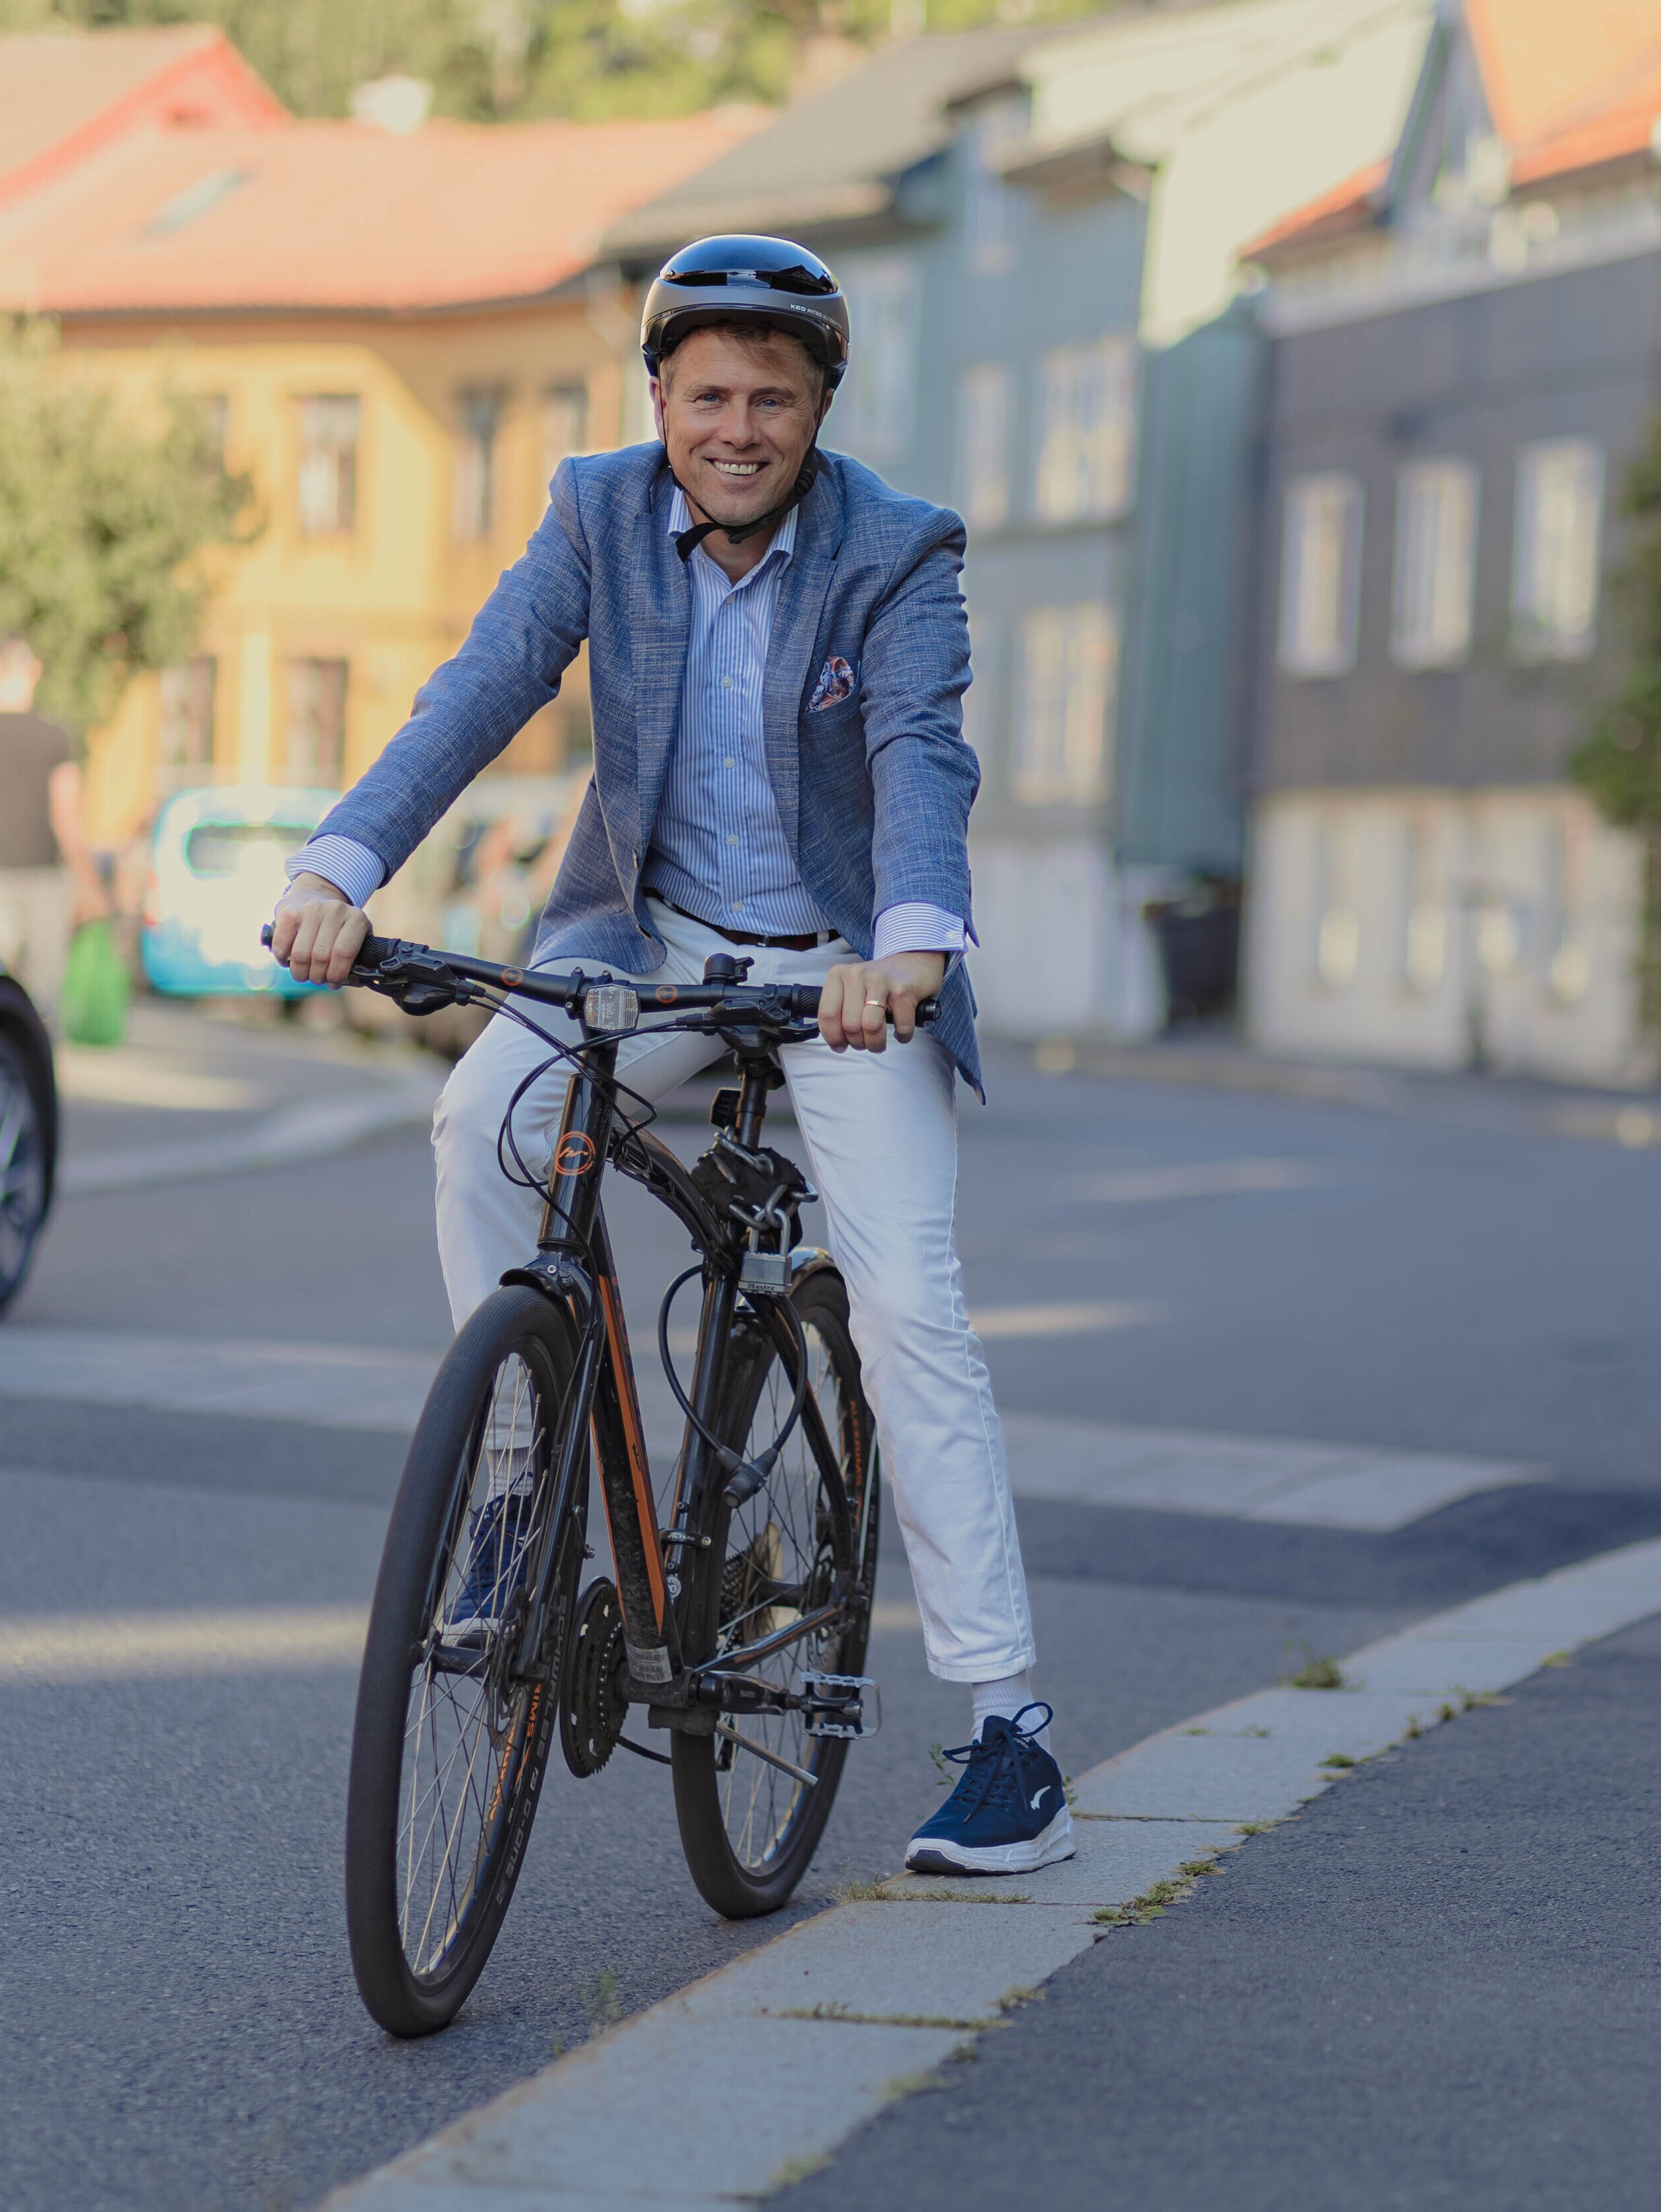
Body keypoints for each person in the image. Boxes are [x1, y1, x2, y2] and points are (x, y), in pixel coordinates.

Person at [267, 235, 1068, 1880]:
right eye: (707, 396)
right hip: (641, 949)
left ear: (820, 409)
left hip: (841, 978)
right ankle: (516, 1499)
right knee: (481, 1123)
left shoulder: (897, 549)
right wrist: (337, 870)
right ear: (657, 399)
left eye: (771, 398)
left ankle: (1010, 1733)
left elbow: (922, 753)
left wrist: (912, 945)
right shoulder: (594, 514)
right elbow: (475, 695)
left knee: (905, 1300)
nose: (736, 428)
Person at [0, 638, 92, 1024]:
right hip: (46, 882)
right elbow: (67, 818)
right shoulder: (55, 736)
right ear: (34, 672)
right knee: (43, 1003)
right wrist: (87, 883)